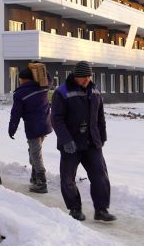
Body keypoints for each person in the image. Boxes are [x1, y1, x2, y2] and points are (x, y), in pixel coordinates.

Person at [50, 61, 116, 222]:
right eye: (83, 77)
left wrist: (102, 135)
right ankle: (75, 209)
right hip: (70, 144)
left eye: (88, 76)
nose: (86, 79)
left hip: (92, 142)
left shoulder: (95, 91)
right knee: (68, 178)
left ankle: (101, 210)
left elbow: (100, 116)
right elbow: (56, 119)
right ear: (75, 76)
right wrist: (66, 140)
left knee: (100, 177)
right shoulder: (62, 92)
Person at [8, 67, 52, 193]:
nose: (20, 81)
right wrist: (40, 67)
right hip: (45, 124)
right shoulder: (43, 86)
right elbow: (48, 78)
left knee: (35, 153)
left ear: (24, 79)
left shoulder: (20, 94)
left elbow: (15, 113)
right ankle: (34, 176)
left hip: (33, 127)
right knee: (34, 151)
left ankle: (41, 182)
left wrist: (12, 128)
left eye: (21, 79)